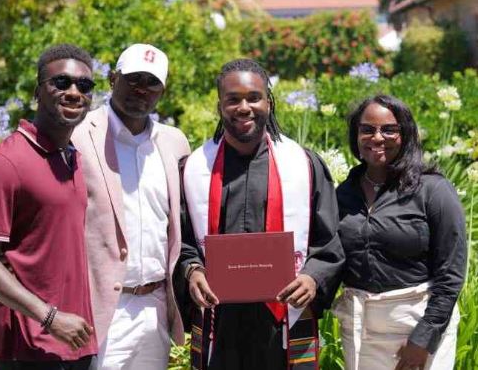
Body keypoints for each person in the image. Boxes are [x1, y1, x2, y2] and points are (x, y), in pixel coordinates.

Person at [175, 58, 344, 370]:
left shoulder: (304, 165)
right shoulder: (194, 169)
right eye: (233, 99)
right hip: (220, 322)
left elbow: (329, 242)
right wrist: (192, 271)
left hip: (283, 320)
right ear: (219, 105)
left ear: (269, 101)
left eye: (253, 97)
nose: (244, 107)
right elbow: (180, 240)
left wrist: (312, 277)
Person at [0, 44, 98, 369]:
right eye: (61, 82)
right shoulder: (7, 162)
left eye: (84, 85)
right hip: (27, 349)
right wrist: (49, 317)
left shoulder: (71, 158)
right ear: (38, 92)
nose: (74, 92)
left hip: (75, 344)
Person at [72, 43, 190, 369]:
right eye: (133, 78)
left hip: (155, 304)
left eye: (152, 82)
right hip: (104, 305)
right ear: (112, 79)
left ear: (162, 91)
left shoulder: (174, 142)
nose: (141, 88)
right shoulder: (80, 134)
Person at [333, 94, 467, 370]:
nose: (377, 137)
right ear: (356, 136)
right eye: (367, 129)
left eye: (389, 129)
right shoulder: (343, 194)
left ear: (405, 134)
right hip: (361, 330)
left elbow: (451, 273)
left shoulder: (433, 190)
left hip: (418, 323)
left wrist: (424, 338)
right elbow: (329, 257)